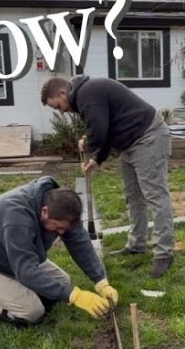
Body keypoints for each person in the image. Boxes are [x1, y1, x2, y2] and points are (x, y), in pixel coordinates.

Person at [41, 74, 175, 277]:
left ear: (62, 92)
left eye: (58, 106)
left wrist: (87, 144)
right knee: (133, 196)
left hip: (148, 137)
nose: (62, 111)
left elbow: (100, 131)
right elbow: (108, 130)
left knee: (155, 196)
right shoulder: (86, 96)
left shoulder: (88, 93)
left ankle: (164, 253)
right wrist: (97, 159)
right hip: (130, 144)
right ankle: (137, 244)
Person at [0, 176, 118, 326]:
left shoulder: (62, 207)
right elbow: (26, 271)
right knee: (32, 312)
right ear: (44, 211)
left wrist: (100, 281)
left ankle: (9, 287)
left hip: (10, 256)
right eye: (58, 227)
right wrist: (76, 296)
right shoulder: (16, 218)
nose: (61, 233)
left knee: (63, 283)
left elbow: (79, 241)